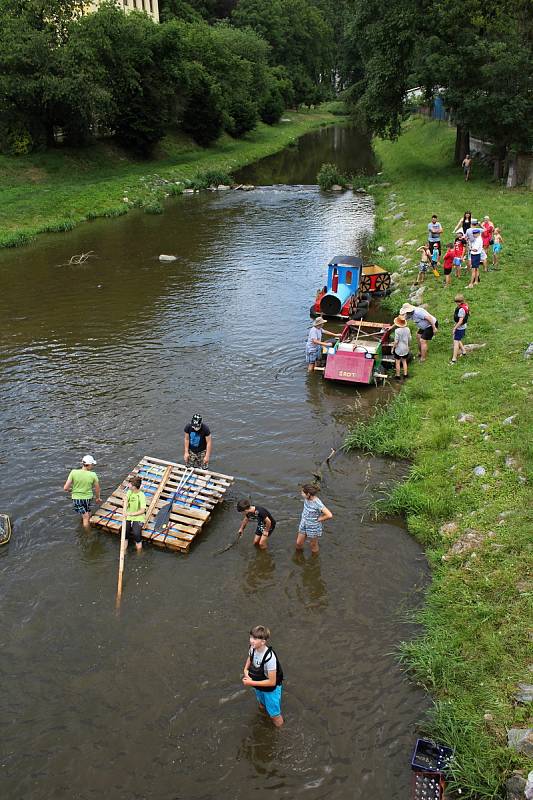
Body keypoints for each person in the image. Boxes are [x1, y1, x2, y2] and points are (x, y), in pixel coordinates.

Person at [242, 625, 284, 727]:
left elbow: (272, 682)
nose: (251, 641)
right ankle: (264, 718)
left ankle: (280, 731)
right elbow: (250, 658)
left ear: (263, 642)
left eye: (255, 639)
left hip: (271, 689)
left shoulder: (270, 658)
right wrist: (245, 669)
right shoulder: (253, 648)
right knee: (262, 705)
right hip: (259, 683)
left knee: (274, 715)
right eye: (251, 637)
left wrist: (250, 682)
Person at [63, 454, 101, 528]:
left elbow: (65, 488)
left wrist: (72, 490)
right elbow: (97, 488)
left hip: (77, 499)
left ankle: (86, 531)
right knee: (87, 514)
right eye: (92, 464)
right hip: (88, 498)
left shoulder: (73, 472)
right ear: (89, 464)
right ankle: (88, 534)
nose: (93, 466)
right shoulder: (93, 474)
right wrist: (97, 498)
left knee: (85, 516)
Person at [296, 483, 332, 554]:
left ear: (308, 494)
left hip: (313, 526)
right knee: (298, 543)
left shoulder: (317, 503)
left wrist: (319, 519)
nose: (301, 494)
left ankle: (314, 559)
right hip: (304, 523)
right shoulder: (307, 498)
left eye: (302, 493)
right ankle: (298, 557)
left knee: (313, 545)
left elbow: (329, 515)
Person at [122, 475, 147, 551]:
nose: (128, 485)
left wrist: (130, 514)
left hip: (138, 517)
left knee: (136, 534)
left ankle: (139, 552)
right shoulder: (129, 492)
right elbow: (124, 505)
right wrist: (124, 502)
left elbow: (143, 510)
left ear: (134, 487)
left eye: (130, 484)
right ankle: (124, 551)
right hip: (128, 516)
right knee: (125, 533)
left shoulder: (141, 495)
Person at [450, 294, 470, 364]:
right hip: (462, 326)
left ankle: (454, 359)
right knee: (457, 339)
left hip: (460, 328)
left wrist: (455, 328)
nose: (456, 303)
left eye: (457, 302)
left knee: (455, 342)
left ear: (460, 301)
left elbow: (461, 321)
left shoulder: (461, 309)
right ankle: (464, 351)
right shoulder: (465, 306)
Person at [392, 315, 411, 380]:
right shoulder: (408, 329)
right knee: (404, 361)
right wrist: (408, 346)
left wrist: (393, 348)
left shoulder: (397, 331)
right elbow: (409, 339)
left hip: (399, 349)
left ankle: (398, 375)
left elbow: (396, 341)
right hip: (405, 348)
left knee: (397, 362)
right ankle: (405, 374)